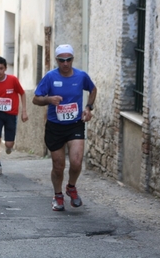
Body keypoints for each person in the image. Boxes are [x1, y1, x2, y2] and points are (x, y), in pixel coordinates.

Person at [32, 44, 97, 211]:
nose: (65, 63)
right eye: (62, 60)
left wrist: (88, 108)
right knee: (58, 165)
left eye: (68, 59)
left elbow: (93, 89)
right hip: (55, 126)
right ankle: (58, 194)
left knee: (76, 162)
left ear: (72, 59)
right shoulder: (50, 77)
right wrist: (49, 99)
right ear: (57, 60)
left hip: (75, 124)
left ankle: (71, 187)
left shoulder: (81, 76)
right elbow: (36, 99)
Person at [0, 56, 29, 175]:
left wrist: (24, 111)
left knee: (9, 144)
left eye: (1, 68)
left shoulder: (13, 80)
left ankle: (8, 146)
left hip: (11, 115)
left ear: (5, 68)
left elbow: (22, 93)